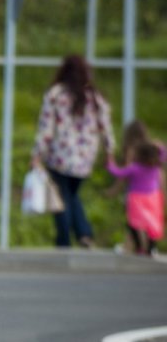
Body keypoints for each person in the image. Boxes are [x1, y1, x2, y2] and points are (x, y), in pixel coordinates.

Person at [31, 55, 114, 248]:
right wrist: (109, 151)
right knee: (71, 195)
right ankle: (84, 234)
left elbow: (46, 128)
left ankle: (64, 240)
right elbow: (105, 126)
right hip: (85, 159)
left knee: (62, 198)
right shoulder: (93, 96)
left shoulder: (56, 94)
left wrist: (37, 155)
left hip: (59, 156)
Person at [107, 135, 165, 255]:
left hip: (136, 199)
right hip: (153, 199)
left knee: (134, 223)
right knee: (151, 223)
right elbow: (164, 155)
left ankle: (139, 247)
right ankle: (151, 248)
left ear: (139, 155)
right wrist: (159, 146)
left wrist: (109, 163)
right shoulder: (155, 167)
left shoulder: (134, 168)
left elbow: (117, 172)